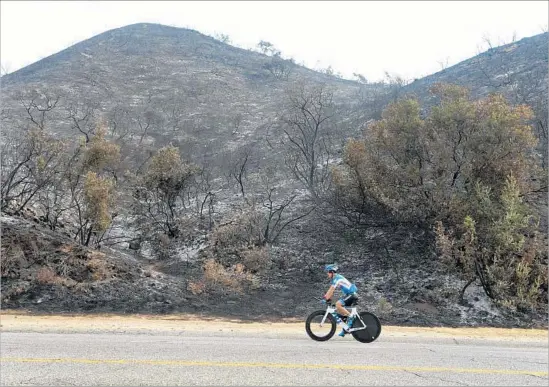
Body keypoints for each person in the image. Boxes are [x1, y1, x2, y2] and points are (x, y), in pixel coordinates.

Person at [323, 263, 359, 337]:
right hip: (349, 294)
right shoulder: (335, 278)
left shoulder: (337, 278)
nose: (327, 274)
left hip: (352, 294)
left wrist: (326, 297)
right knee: (341, 312)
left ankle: (351, 317)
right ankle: (345, 329)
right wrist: (328, 298)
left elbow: (331, 289)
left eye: (328, 272)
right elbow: (331, 290)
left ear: (332, 272)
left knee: (338, 304)